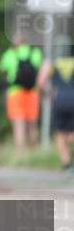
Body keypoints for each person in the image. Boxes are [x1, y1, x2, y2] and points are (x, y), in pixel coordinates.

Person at [0, 35, 43, 152]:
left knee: (19, 125)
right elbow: (40, 68)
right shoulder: (35, 52)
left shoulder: (10, 53)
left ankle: (21, 154)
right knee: (32, 125)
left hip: (15, 92)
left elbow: (2, 68)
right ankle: (34, 153)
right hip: (32, 92)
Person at [38, 47, 74, 175]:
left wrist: (47, 95)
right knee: (71, 135)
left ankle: (67, 165)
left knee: (59, 134)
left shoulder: (51, 62)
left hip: (59, 100)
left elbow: (40, 82)